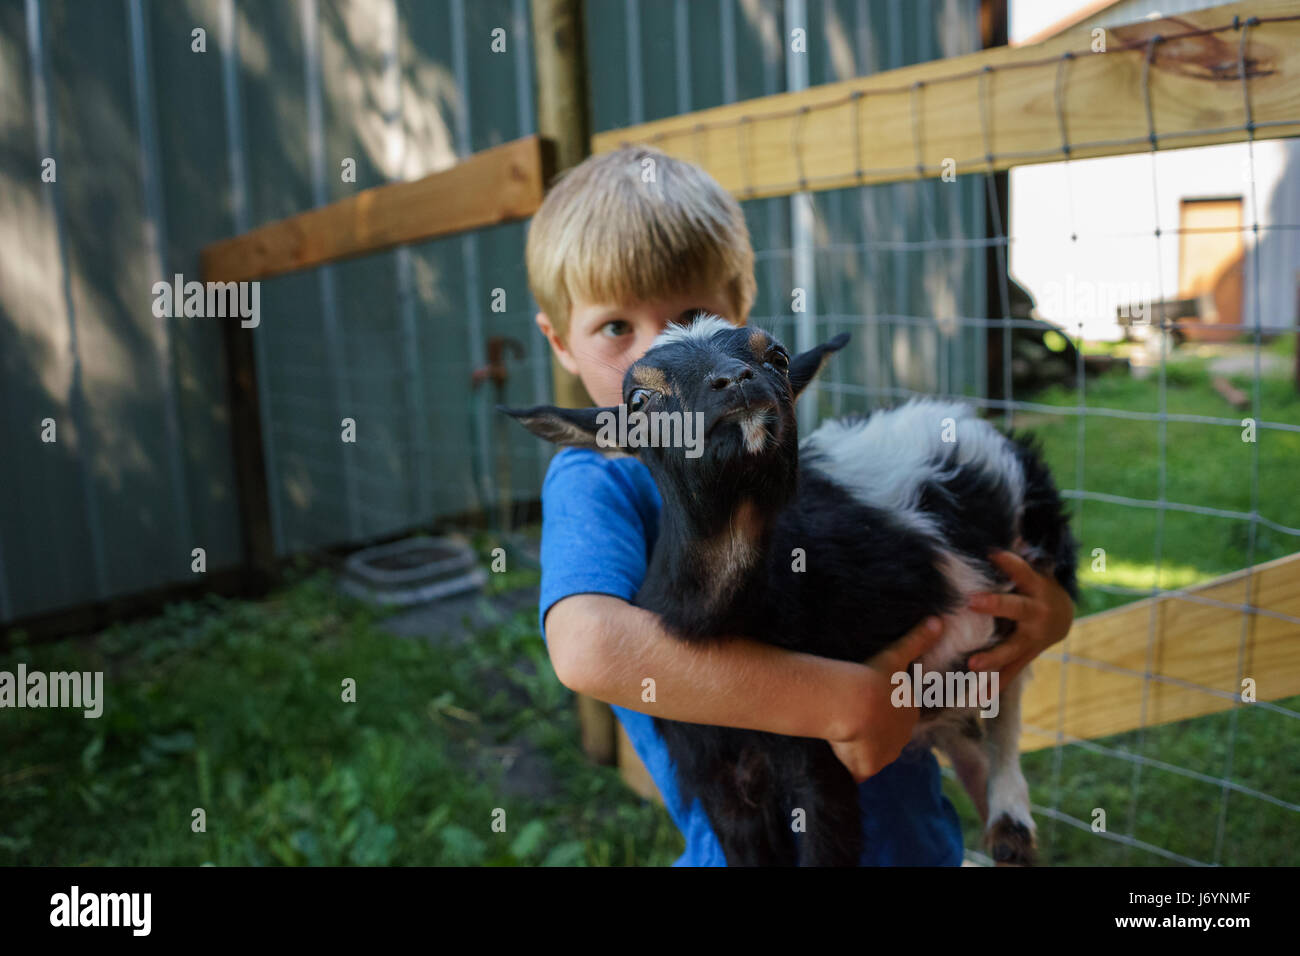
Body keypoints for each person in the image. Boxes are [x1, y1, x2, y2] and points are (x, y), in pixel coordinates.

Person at [524, 145, 1075, 865]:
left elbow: (924, 620)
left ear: (737, 310)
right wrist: (849, 701)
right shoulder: (596, 480)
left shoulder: (775, 466)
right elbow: (587, 646)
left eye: (692, 315)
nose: (666, 351)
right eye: (616, 328)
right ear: (560, 341)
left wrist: (1048, 617)